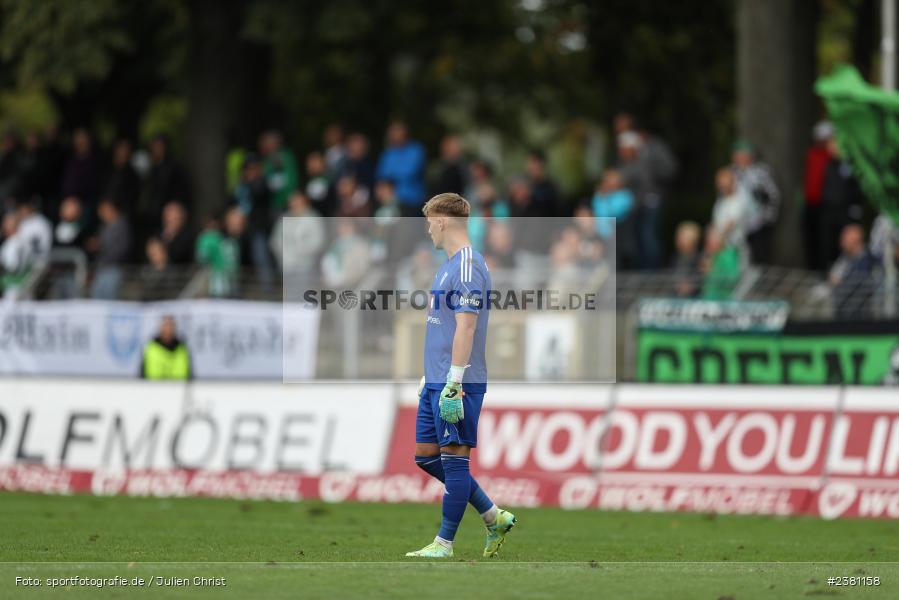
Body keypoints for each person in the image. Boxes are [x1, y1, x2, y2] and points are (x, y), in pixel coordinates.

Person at [405, 192, 516, 559]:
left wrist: (454, 381)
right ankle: (492, 516)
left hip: (458, 383)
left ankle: (444, 543)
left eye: (428, 224)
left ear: (441, 221)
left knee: (454, 459)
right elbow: (444, 326)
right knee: (426, 456)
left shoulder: (469, 265)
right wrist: (431, 375)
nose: (427, 232)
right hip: (435, 378)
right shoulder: (449, 264)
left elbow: (466, 328)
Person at [731, 140, 780, 264]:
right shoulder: (730, 173)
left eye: (744, 155)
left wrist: (767, 218)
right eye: (738, 155)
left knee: (759, 257)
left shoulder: (761, 172)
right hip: (736, 225)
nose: (741, 158)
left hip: (758, 223)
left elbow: (773, 195)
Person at [269, 191, 325, 299]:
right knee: (290, 295)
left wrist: (302, 252)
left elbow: (318, 241)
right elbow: (276, 240)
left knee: (305, 295)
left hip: (306, 265)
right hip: (287, 265)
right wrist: (284, 255)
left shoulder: (313, 218)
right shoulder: (284, 219)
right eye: (292, 201)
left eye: (297, 201)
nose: (294, 204)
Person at [376, 120, 426, 217]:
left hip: (411, 201)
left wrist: (390, 179)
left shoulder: (416, 150)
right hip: (390, 202)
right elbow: (381, 176)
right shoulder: (388, 153)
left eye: (397, 131)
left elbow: (409, 172)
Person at [803, 121, 834, 270]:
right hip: (811, 203)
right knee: (812, 239)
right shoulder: (812, 154)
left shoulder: (832, 157)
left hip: (826, 205)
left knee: (826, 241)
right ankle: (813, 270)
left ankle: (825, 271)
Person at [829, 223, 875, 320]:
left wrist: (839, 283)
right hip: (842, 316)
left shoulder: (868, 260)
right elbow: (832, 278)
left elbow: (859, 284)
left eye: (844, 237)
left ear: (855, 239)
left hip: (861, 319)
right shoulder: (843, 259)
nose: (841, 241)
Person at [89, 198, 132, 300]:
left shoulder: (122, 226)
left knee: (110, 299)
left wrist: (101, 246)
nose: (101, 214)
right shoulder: (103, 227)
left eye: (104, 210)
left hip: (114, 269)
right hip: (101, 269)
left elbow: (122, 249)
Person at [259, 129, 299, 214]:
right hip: (274, 203)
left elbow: (292, 179)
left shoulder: (285, 156)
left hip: (287, 203)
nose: (263, 146)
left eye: (266, 142)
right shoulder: (266, 160)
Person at [139, 315, 192, 380]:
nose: (168, 330)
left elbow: (189, 374)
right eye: (166, 326)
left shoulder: (182, 349)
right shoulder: (151, 348)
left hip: (178, 388)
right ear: (160, 328)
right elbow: (142, 375)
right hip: (153, 388)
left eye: (171, 326)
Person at [671, 221, 702, 298]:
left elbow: (700, 281)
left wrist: (689, 286)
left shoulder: (699, 260)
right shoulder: (675, 258)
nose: (677, 240)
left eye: (681, 237)